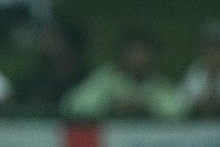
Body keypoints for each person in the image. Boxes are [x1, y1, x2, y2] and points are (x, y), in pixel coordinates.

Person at [60, 29, 189, 120]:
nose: (137, 58)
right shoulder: (105, 78)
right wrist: (110, 105)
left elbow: (180, 110)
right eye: (132, 52)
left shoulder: (159, 84)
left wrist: (148, 106)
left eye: (143, 52)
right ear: (120, 55)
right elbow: (73, 105)